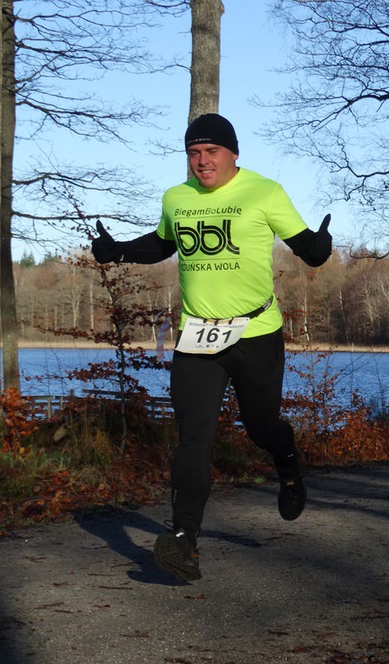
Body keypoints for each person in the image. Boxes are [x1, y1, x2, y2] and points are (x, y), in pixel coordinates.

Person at [91, 112, 331, 582]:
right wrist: (118, 250)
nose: (202, 161)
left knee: (261, 427)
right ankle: (184, 541)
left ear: (233, 154)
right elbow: (163, 243)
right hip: (198, 335)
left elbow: (306, 246)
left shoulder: (264, 192)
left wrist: (320, 248)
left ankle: (288, 464)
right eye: (194, 153)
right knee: (194, 437)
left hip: (256, 333)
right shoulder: (177, 198)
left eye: (212, 152)